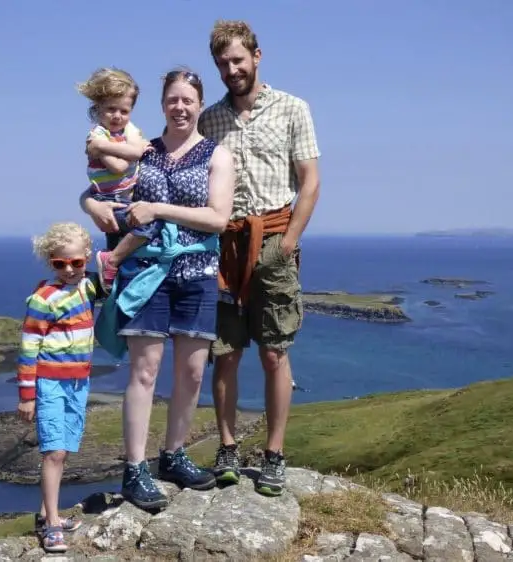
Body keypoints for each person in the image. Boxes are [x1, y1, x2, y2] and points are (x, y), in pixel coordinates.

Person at [81, 69, 235, 511]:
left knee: (190, 372)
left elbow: (218, 218)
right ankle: (134, 468)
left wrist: (157, 209)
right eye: (173, 100)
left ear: (200, 105)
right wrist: (89, 203)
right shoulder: (142, 150)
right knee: (144, 372)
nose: (180, 107)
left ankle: (174, 455)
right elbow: (97, 187)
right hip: (146, 272)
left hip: (197, 271)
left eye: (188, 100)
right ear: (163, 104)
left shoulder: (216, 156)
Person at [198, 20, 321, 497]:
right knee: (225, 354)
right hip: (223, 247)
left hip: (273, 235)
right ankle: (227, 448)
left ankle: (274, 453)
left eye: (238, 60)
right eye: (223, 63)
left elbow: (309, 180)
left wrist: (288, 242)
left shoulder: (293, 108)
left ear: (257, 56)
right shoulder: (209, 120)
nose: (231, 70)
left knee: (274, 352)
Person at [16, 222, 105, 552]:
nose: (68, 270)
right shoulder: (43, 299)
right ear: (50, 262)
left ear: (86, 258)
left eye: (76, 263)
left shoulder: (89, 287)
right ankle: (51, 523)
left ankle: (46, 515)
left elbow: (113, 272)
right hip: (51, 384)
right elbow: (28, 349)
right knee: (53, 452)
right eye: (59, 264)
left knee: (63, 450)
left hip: (78, 383)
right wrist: (27, 397)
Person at [77, 67, 157, 291]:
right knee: (148, 226)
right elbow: (120, 164)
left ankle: (112, 271)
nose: (117, 116)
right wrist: (123, 149)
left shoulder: (125, 131)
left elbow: (131, 152)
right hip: (109, 199)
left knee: (126, 244)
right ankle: (109, 262)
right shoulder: (97, 136)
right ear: (98, 107)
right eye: (111, 109)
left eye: (124, 111)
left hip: (124, 197)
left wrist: (105, 149)